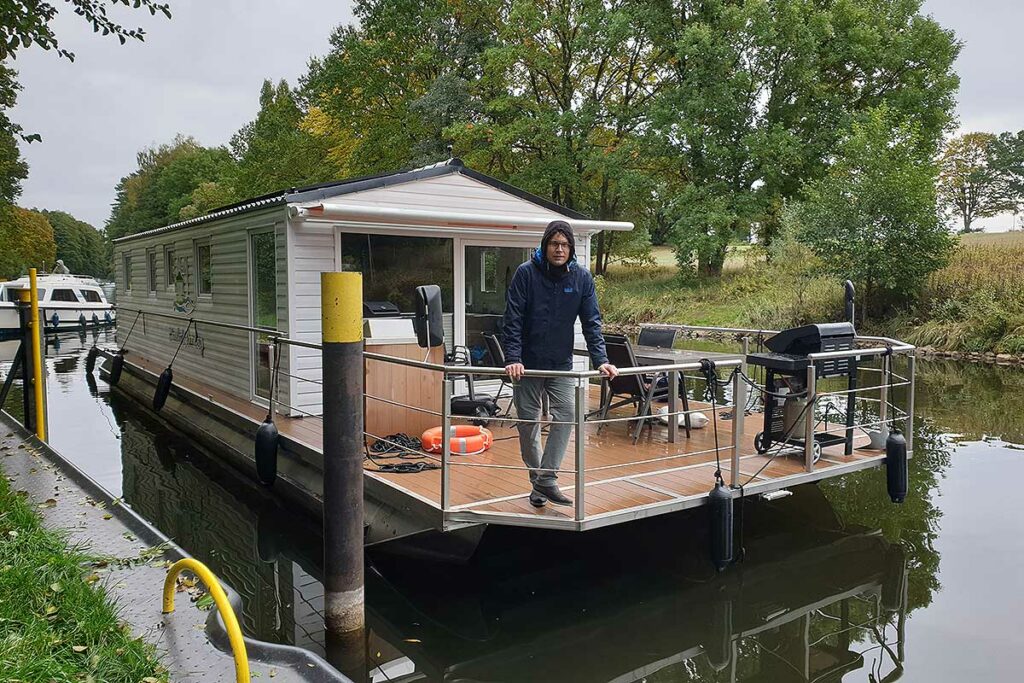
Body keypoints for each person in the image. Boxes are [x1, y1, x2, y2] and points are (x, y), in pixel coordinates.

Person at [502, 220, 618, 507]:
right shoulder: (526, 274)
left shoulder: (581, 278)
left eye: (565, 244)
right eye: (554, 243)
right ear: (545, 245)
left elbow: (592, 323)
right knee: (528, 424)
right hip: (527, 366)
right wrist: (513, 358)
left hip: (560, 364)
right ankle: (539, 484)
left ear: (571, 248)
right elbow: (512, 319)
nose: (559, 249)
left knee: (568, 413)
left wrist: (601, 360)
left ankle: (546, 479)